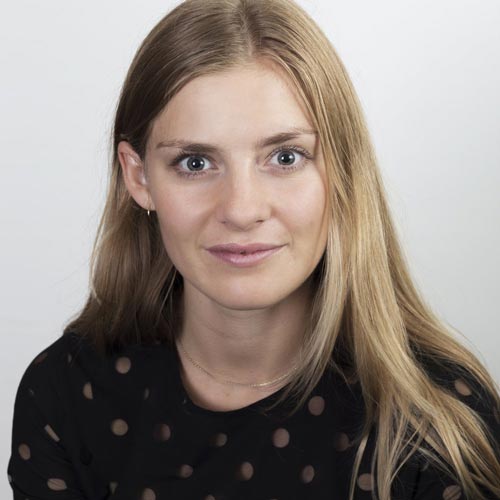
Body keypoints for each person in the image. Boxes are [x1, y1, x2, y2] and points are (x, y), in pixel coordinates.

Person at [7, 0, 500, 499]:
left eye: (285, 157)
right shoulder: (65, 395)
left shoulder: (438, 426)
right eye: (195, 163)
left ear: (342, 170)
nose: (242, 210)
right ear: (139, 178)